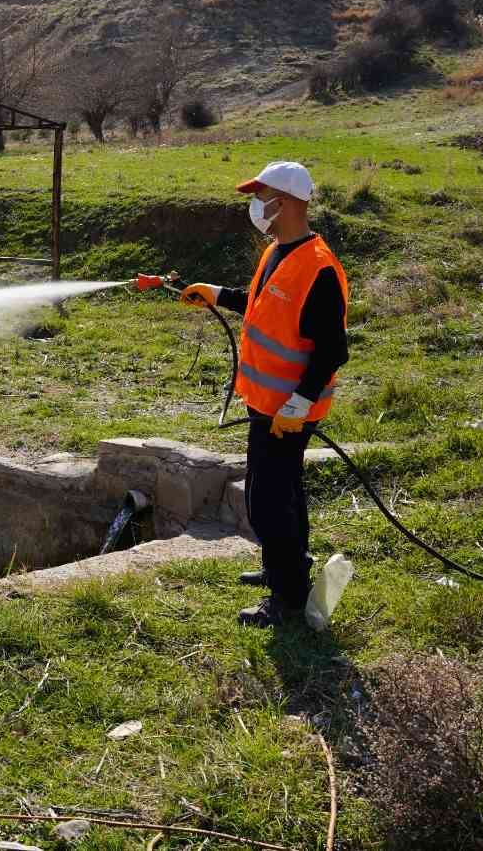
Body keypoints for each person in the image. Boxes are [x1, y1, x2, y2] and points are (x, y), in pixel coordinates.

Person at [178, 161, 350, 627]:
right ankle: (290, 566)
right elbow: (258, 305)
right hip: (269, 403)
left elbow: (334, 349)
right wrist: (215, 293)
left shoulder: (318, 269)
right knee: (284, 489)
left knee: (267, 501)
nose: (256, 203)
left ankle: (287, 595)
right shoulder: (279, 250)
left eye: (263, 194)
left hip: (289, 408)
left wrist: (298, 403)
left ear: (289, 202)